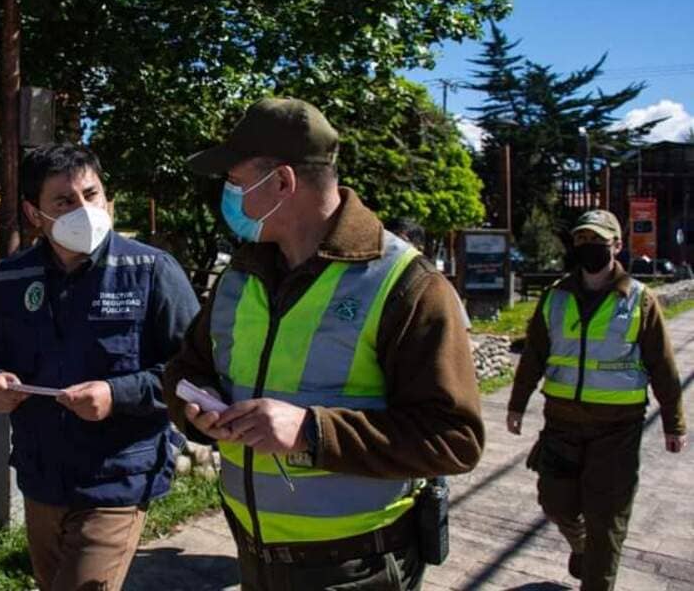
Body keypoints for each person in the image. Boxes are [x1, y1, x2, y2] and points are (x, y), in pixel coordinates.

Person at [163, 97, 484, 590]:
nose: (227, 195)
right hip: (254, 557)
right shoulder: (241, 275)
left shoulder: (406, 284)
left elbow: (454, 439)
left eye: (235, 181)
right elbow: (186, 369)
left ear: (283, 183)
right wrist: (196, 409)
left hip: (357, 570)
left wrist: (311, 433)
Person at [0, 143, 200, 591]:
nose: (85, 209)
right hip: (41, 479)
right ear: (34, 213)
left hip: (116, 479)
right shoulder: (13, 277)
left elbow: (193, 374)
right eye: (65, 201)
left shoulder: (151, 270)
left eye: (91, 194)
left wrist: (118, 394)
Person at [507, 209, 688, 591]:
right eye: (583, 240)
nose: (589, 247)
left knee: (607, 519)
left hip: (617, 429)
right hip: (561, 422)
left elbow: (664, 368)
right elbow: (534, 356)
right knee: (555, 502)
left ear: (617, 246)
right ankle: (581, 544)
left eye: (598, 241)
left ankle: (596, 576)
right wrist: (516, 404)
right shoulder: (555, 298)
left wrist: (674, 423)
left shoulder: (640, 300)